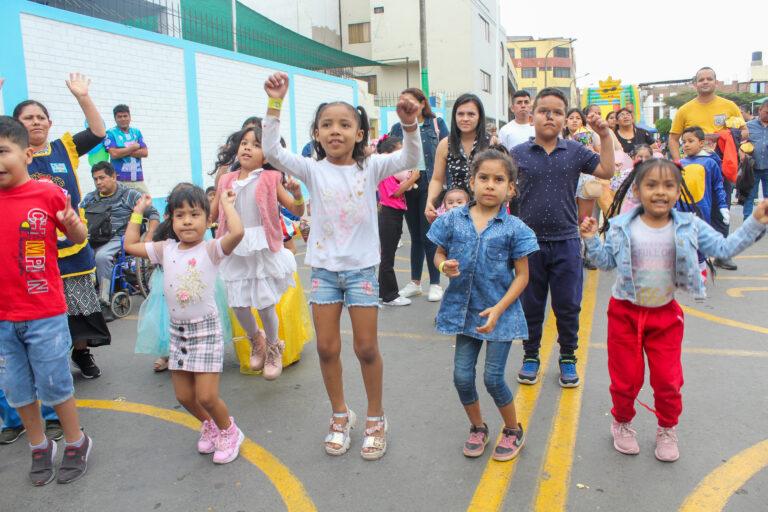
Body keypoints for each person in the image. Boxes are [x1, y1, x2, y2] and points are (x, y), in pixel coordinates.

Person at [261, 71, 421, 460]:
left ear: (360, 134)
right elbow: (271, 152)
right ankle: (339, 415)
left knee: (366, 348)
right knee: (328, 348)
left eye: (345, 124)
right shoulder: (313, 170)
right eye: (327, 125)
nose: (336, 131)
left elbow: (412, 158)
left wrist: (410, 123)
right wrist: (275, 103)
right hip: (325, 272)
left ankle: (375, 418)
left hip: (363, 270)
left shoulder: (372, 167)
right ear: (316, 134)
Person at [580, 158, 768, 462]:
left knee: (668, 381)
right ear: (637, 191)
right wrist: (590, 240)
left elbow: (722, 249)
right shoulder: (620, 227)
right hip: (624, 314)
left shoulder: (688, 226)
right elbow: (606, 263)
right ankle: (622, 422)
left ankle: (667, 428)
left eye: (669, 185)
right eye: (651, 185)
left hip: (665, 316)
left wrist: (755, 222)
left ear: (678, 190)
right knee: (626, 379)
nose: (660, 192)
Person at [428, 147, 537, 461]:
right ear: (472, 182)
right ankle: (478, 426)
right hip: (464, 313)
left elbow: (522, 276)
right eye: (484, 178)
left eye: (499, 179)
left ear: (510, 189)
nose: (490, 184)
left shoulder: (515, 228)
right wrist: (441, 266)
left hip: (500, 315)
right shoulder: (453, 220)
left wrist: (499, 308)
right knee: (462, 376)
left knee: (492, 378)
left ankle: (513, 429)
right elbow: (438, 252)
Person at [0, 116, 93, 485]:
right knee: (17, 388)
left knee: (55, 384)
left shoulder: (46, 192)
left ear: (27, 154)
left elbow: (77, 231)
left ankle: (76, 441)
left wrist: (73, 225)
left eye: (3, 151)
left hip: (44, 311)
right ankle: (39, 447)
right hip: (4, 317)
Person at [126, 185, 246, 464]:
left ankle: (229, 431)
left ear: (208, 220)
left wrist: (227, 204)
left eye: (195, 214)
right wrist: (137, 214)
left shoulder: (211, 249)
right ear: (171, 220)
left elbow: (237, 233)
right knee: (184, 396)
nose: (188, 221)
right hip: (178, 332)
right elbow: (130, 246)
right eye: (180, 215)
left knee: (206, 395)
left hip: (205, 330)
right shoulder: (165, 249)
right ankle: (211, 425)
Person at [510, 87, 615, 388]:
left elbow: (606, 170)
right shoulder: (517, 155)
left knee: (568, 305)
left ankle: (568, 356)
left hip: (567, 242)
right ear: (532, 116)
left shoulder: (575, 152)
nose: (551, 117)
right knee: (531, 304)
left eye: (557, 112)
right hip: (529, 245)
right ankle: (531, 355)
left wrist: (605, 135)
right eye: (545, 111)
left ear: (564, 118)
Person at [13, 73, 110, 380]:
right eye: (28, 118)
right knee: (41, 307)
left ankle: (81, 353)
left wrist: (82, 96)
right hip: (31, 246)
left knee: (79, 300)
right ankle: (46, 361)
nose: (36, 122)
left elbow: (97, 132)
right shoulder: (12, 156)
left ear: (50, 123)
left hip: (73, 242)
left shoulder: (63, 149)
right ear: (16, 125)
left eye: (41, 117)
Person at [211, 124, 304, 380]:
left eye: (256, 144)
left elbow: (296, 211)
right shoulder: (226, 179)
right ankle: (257, 339)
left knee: (264, 304)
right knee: (239, 304)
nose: (248, 148)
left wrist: (297, 195)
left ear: (267, 154)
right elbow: (213, 213)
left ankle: (274, 346)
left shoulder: (270, 178)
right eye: (244, 143)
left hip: (262, 243)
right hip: (235, 245)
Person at [668, 67, 744, 271]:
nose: (705, 82)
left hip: (721, 165)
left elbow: (744, 132)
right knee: (693, 209)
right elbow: (673, 138)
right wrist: (677, 164)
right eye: (701, 79)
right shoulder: (685, 109)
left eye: (709, 78)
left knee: (722, 206)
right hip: (692, 169)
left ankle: (721, 253)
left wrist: (726, 135)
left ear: (716, 82)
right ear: (695, 84)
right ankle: (693, 253)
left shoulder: (729, 106)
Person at [388, 88, 449, 303]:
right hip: (407, 183)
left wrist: (445, 186)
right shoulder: (397, 126)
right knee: (415, 235)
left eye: (411, 101)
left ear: (423, 104)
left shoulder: (436, 123)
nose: (407, 106)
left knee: (428, 233)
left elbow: (446, 154)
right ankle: (415, 282)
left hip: (430, 182)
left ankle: (435, 283)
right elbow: (390, 154)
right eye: (402, 101)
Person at [80, 161, 160, 295]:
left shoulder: (129, 195)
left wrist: (149, 235)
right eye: (95, 179)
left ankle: (104, 296)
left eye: (102, 178)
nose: (98, 182)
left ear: (113, 177)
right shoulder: (90, 198)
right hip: (94, 238)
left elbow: (154, 214)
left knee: (101, 257)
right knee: (78, 255)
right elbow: (79, 216)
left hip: (119, 238)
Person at [428, 93, 490, 219]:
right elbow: (437, 179)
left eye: (471, 114)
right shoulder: (445, 144)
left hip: (487, 208)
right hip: (456, 210)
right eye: (460, 114)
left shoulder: (491, 143)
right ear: (454, 116)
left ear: (479, 117)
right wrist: (430, 203)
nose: (465, 118)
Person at [376, 135, 417, 307]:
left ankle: (383, 292)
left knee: (387, 254)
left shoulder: (390, 169)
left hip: (394, 213)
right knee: (388, 256)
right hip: (389, 213)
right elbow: (397, 191)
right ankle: (390, 295)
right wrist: (413, 178)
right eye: (399, 149)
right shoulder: (386, 169)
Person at [679, 127, 728, 226]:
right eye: (684, 142)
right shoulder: (680, 164)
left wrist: (723, 206)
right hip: (681, 210)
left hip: (702, 209)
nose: (686, 145)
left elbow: (718, 186)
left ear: (701, 143)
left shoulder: (710, 163)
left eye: (690, 141)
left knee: (701, 236)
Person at [104, 104, 149, 194]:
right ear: (115, 118)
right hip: (119, 180)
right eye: (119, 117)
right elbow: (114, 154)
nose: (123, 119)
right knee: (122, 207)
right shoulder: (110, 133)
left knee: (147, 205)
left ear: (130, 117)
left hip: (137, 178)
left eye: (125, 116)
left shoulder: (136, 132)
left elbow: (145, 152)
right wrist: (133, 147)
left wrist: (122, 150)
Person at [744, 101, 768, 219]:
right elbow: (741, 143)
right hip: (752, 168)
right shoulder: (748, 126)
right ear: (759, 111)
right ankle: (746, 224)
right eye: (766, 112)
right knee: (750, 196)